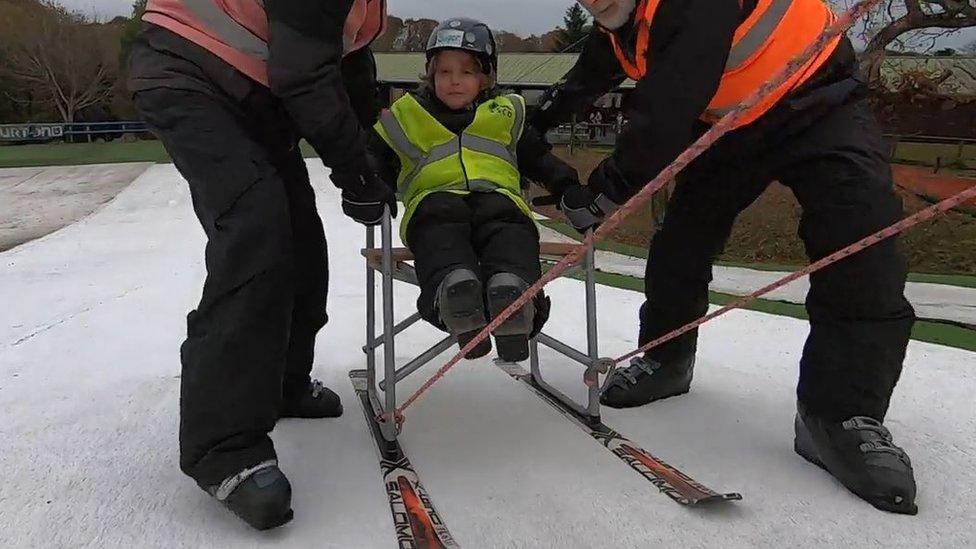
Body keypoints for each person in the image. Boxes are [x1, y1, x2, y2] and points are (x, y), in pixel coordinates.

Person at [530, 0, 918, 514]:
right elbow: (588, 78)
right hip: (732, 125)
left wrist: (604, 194)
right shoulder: (623, 24)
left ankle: (840, 414)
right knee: (682, 240)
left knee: (860, 234)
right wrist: (533, 124)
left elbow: (665, 109)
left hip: (819, 101)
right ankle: (667, 359)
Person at [128, 0, 396, 530]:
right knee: (256, 228)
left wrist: (373, 155)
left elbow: (351, 67)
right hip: (187, 75)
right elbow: (302, 74)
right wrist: (353, 172)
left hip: (255, 102)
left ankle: (282, 383)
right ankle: (223, 450)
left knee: (300, 238)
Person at [369, 18, 579, 362]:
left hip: (499, 202)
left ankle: (514, 296)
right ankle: (454, 296)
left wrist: (568, 185)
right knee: (440, 240)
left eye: (466, 72)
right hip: (435, 203)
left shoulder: (506, 112)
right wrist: (367, 186)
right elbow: (372, 158)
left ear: (486, 77)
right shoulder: (405, 115)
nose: (454, 81)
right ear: (430, 74)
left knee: (512, 236)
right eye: (444, 72)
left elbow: (539, 159)